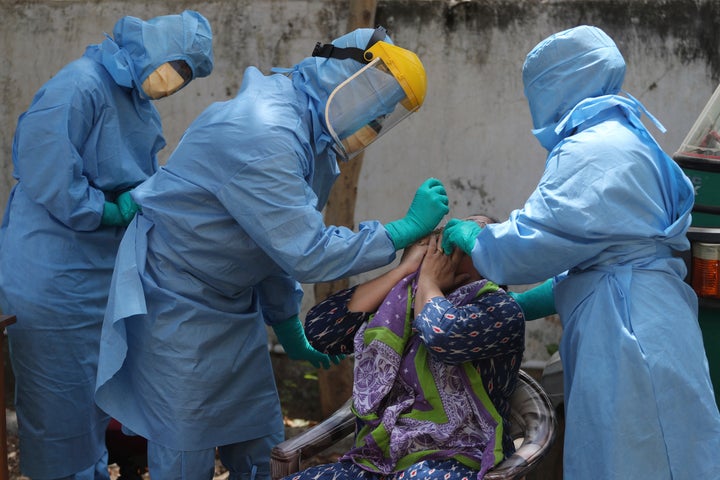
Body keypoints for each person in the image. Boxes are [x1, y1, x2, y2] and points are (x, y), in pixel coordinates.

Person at [94, 27, 448, 479]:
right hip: (174, 299)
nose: (372, 124)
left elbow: (273, 245)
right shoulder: (262, 131)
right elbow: (307, 252)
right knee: (185, 448)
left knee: (261, 443)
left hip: (233, 300)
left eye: (382, 115)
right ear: (342, 74)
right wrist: (401, 232)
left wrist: (287, 325)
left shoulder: (313, 138)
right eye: (372, 103)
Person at [441, 25, 720, 479]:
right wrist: (515, 306)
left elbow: (526, 247)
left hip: (629, 337)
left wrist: (474, 240)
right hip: (646, 320)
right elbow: (596, 261)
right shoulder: (624, 138)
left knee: (640, 459)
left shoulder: (593, 150)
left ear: (557, 87)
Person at [0, 10, 213, 480]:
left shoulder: (135, 102)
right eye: (173, 65)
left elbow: (138, 177)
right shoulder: (79, 85)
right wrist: (106, 211)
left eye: (185, 77)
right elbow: (49, 171)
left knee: (90, 403)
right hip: (52, 273)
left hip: (97, 273)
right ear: (150, 46)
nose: (172, 81)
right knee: (58, 408)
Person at [286, 215, 525, 480]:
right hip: (379, 459)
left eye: (468, 236)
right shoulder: (399, 305)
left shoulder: (501, 310)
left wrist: (429, 283)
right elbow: (322, 330)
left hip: (456, 457)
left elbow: (442, 336)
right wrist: (402, 272)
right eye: (447, 233)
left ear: (490, 257)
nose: (447, 244)